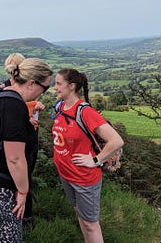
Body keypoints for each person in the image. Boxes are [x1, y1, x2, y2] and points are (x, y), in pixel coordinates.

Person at [0, 58, 53, 243]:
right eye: (45, 88)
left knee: (0, 232)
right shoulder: (14, 106)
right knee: (10, 237)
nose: (45, 92)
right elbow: (15, 158)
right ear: (32, 83)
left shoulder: (4, 93)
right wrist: (23, 192)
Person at [52, 68, 124, 243]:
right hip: (66, 174)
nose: (54, 88)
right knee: (81, 215)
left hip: (83, 178)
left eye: (58, 84)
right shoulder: (60, 107)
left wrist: (95, 160)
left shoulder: (85, 112)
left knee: (91, 223)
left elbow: (116, 140)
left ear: (72, 86)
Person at [0, 52, 44, 227]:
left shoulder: (4, 87)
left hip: (18, 138)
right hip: (26, 137)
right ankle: (25, 217)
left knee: (17, 175)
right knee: (24, 175)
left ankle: (18, 215)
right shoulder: (22, 87)